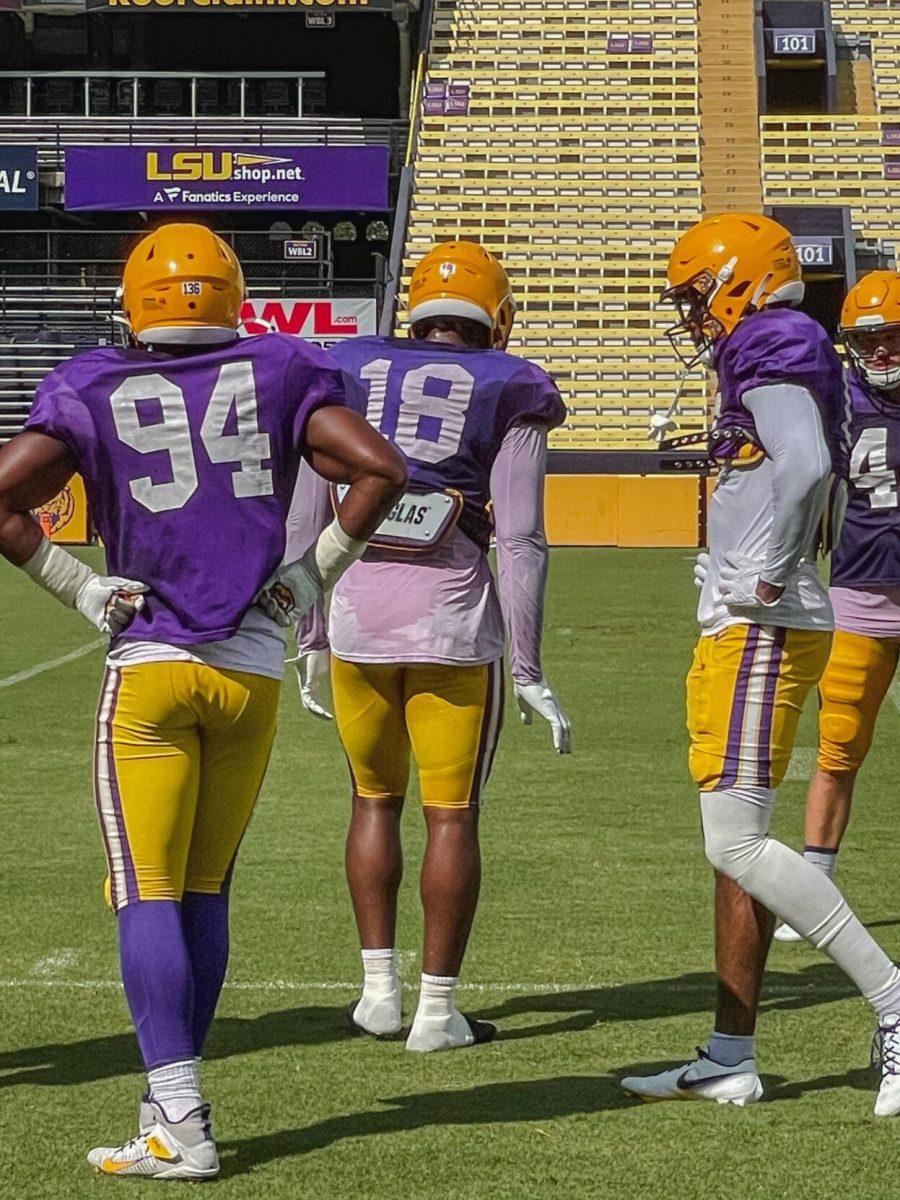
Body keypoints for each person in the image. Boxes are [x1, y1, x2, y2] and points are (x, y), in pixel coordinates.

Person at [0, 222, 406, 1179]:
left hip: (151, 669)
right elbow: (382, 470)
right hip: (250, 673)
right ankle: (164, 1106)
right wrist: (310, 581)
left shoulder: (94, 382)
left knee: (145, 889)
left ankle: (180, 1122)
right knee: (203, 889)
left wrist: (80, 588)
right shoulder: (280, 365)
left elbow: (6, 497)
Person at [620, 213, 900, 1115]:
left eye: (697, 291)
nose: (692, 312)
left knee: (733, 841)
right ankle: (731, 1054)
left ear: (736, 278)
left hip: (763, 623)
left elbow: (809, 464)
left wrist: (770, 569)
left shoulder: (774, 334)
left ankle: (895, 1002)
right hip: (746, 621)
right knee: (735, 841)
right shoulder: (783, 342)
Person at [288, 240, 571, 1052]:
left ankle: (378, 992)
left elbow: (310, 518)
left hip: (357, 620)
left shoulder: (346, 371)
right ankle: (437, 1014)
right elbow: (518, 539)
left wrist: (309, 629)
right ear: (497, 314)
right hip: (451, 621)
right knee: (452, 814)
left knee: (371, 801)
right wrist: (528, 666)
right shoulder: (510, 386)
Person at [773, 271, 900, 942]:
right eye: (867, 340)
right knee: (839, 746)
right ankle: (816, 880)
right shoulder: (836, 402)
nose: (880, 352)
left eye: (892, 338)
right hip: (857, 593)